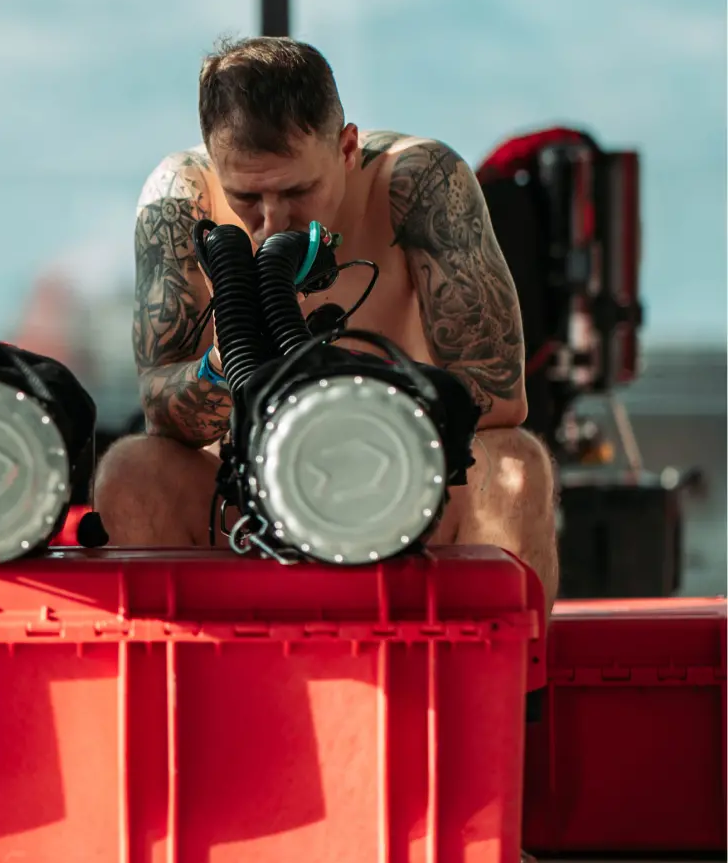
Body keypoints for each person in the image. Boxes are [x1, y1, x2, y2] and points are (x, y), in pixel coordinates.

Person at [96, 36, 558, 604]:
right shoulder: (181, 197)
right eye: (246, 197)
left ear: (346, 149)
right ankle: (185, 656)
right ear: (215, 166)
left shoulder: (418, 180)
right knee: (131, 470)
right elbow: (160, 413)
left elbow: (501, 397)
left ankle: (503, 659)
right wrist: (225, 361)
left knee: (514, 466)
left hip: (407, 484)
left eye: (298, 190)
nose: (273, 222)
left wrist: (354, 394)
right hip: (246, 503)